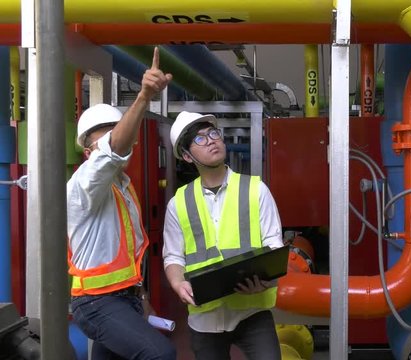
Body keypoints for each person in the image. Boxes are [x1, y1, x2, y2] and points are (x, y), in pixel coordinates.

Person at [67, 47, 176, 360]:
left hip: (124, 299)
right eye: (106, 137)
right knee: (161, 354)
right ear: (89, 153)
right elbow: (113, 151)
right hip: (96, 303)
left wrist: (140, 297)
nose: (120, 140)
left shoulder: (123, 189)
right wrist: (143, 96)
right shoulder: (84, 184)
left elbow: (127, 256)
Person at [163, 111, 284, 360]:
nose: (211, 140)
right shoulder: (179, 203)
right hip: (204, 319)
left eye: (213, 133)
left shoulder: (256, 190)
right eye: (199, 139)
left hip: (251, 310)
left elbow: (274, 244)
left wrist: (267, 279)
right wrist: (177, 283)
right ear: (186, 156)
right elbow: (173, 256)